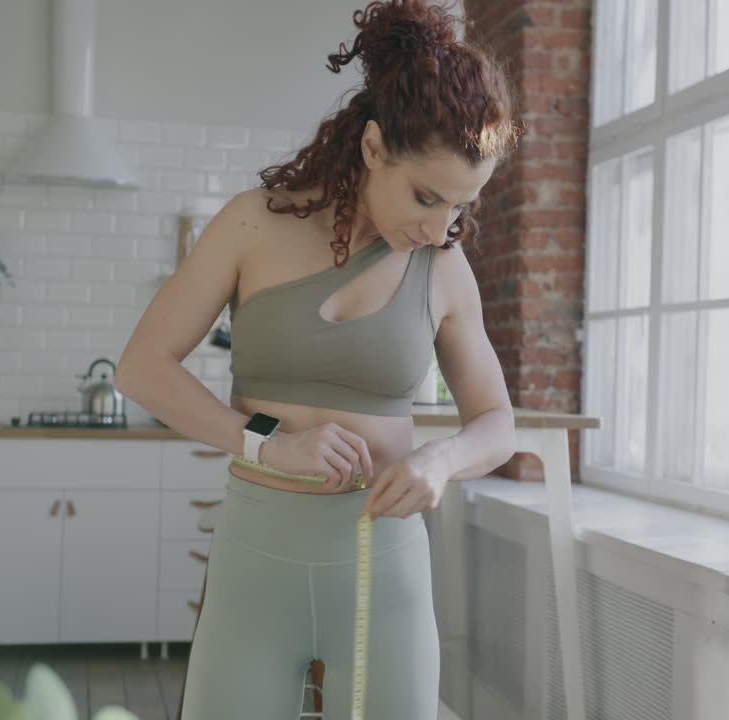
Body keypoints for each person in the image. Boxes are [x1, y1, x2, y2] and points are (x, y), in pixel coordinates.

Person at [115, 0, 520, 716]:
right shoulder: (253, 224)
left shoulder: (446, 269)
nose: (438, 228)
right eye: (425, 197)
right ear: (372, 148)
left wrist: (439, 462)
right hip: (255, 564)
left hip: (384, 567)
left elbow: (495, 423)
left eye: (459, 208)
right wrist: (269, 444)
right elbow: (143, 367)